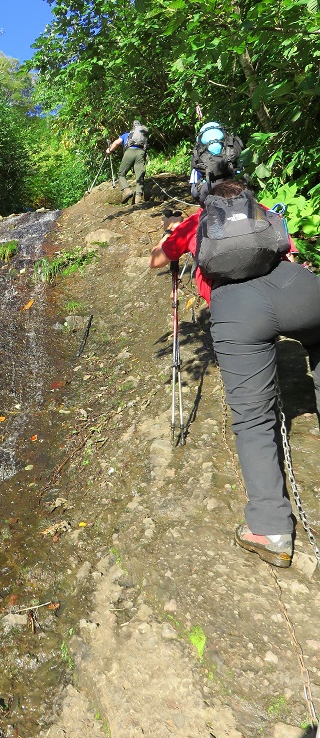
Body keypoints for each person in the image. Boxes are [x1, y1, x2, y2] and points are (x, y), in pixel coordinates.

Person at [149, 179, 320, 568]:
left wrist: (172, 235)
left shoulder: (197, 223)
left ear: (208, 201)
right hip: (297, 289)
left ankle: (271, 529)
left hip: (238, 310)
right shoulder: (266, 216)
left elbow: (157, 260)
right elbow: (290, 255)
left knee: (254, 419)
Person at [106, 120, 148, 205]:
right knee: (140, 175)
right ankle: (138, 198)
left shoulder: (127, 135)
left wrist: (110, 150)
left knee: (121, 174)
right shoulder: (143, 136)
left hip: (130, 152)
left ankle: (126, 190)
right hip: (141, 153)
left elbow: (116, 143)